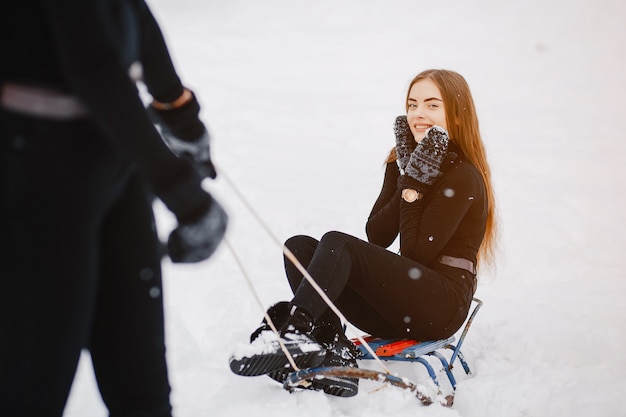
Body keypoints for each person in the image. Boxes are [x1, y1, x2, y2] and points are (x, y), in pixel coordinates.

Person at [0, 0, 227, 416]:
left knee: (143, 394)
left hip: (115, 169)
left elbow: (132, 12)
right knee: (32, 394)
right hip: (39, 181)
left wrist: (178, 112)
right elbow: (92, 66)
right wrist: (180, 190)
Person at [229, 69, 497, 398]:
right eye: (412, 105)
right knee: (298, 248)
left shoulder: (463, 176)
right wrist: (406, 174)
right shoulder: (404, 161)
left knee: (338, 242)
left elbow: (416, 255)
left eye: (431, 105)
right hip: (401, 303)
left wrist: (413, 187)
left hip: (441, 306)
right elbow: (378, 235)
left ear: (456, 113)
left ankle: (295, 329)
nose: (418, 114)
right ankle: (330, 344)